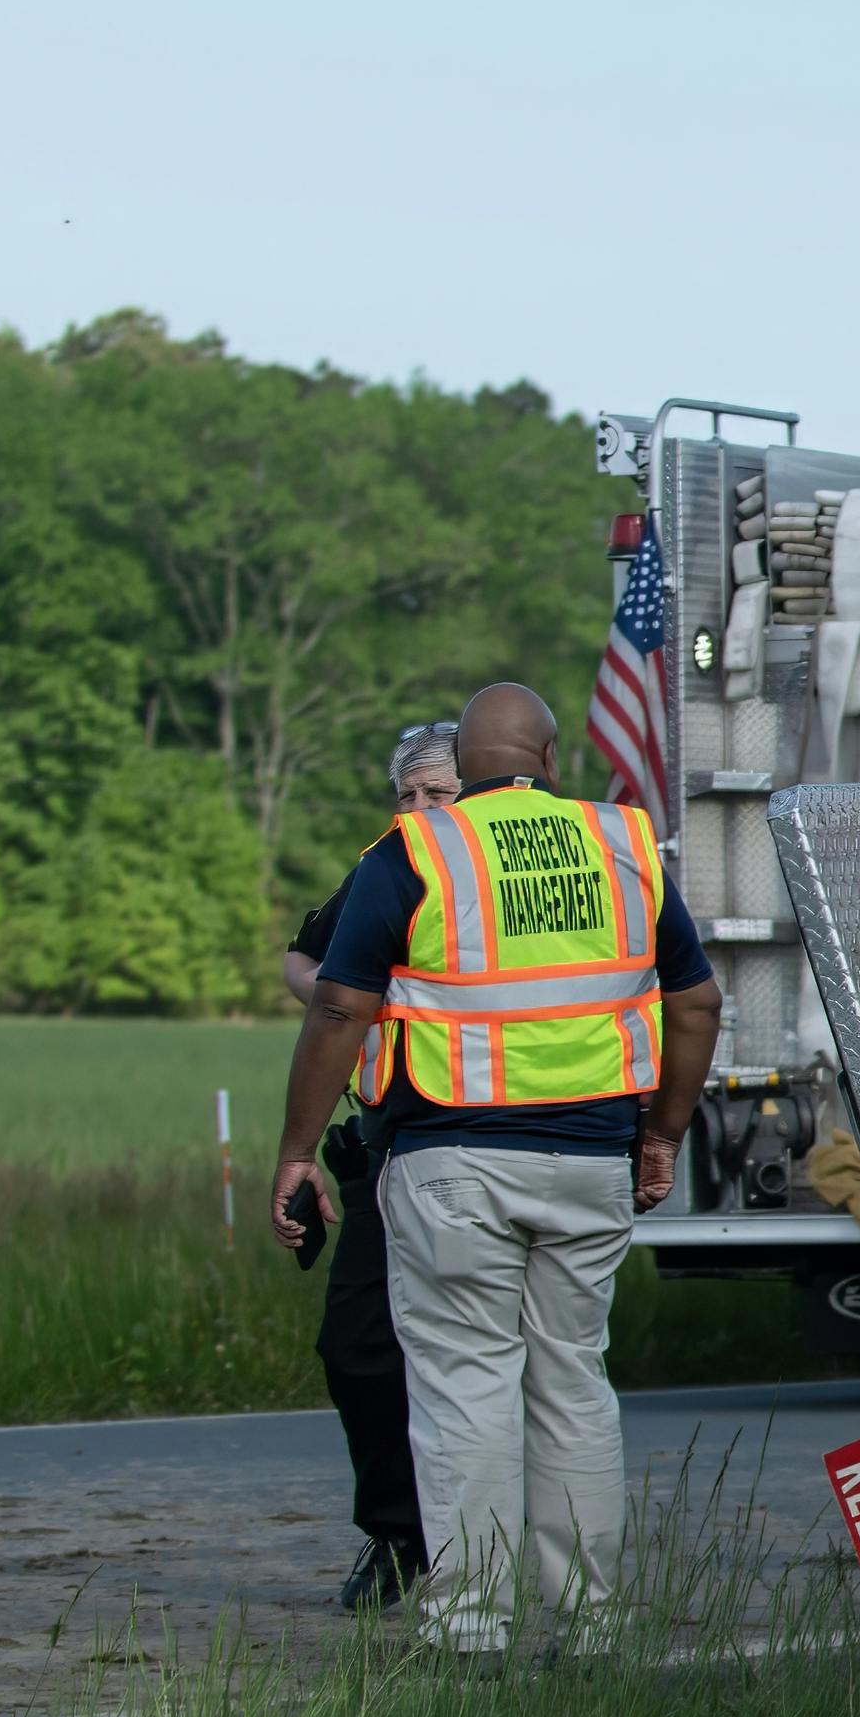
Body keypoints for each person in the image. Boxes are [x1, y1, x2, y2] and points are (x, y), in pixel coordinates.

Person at [268, 683, 718, 1645]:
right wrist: (663, 1133)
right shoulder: (623, 847)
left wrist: (298, 1150)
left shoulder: (418, 851)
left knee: (464, 1386)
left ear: (461, 770)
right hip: (594, 1159)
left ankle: (469, 1623)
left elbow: (339, 1007)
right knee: (572, 1384)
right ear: (551, 759)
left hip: (453, 1158)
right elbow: (696, 1003)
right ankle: (590, 1623)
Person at [277, 721, 461, 1605]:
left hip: (485, 1139)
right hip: (382, 1144)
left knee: (485, 1357)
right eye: (410, 795)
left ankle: (499, 1555)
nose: (421, 811)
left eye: (441, 794)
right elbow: (302, 956)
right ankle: (396, 1535)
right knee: (355, 1348)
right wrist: (350, 999)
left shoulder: (499, 870)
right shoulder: (385, 862)